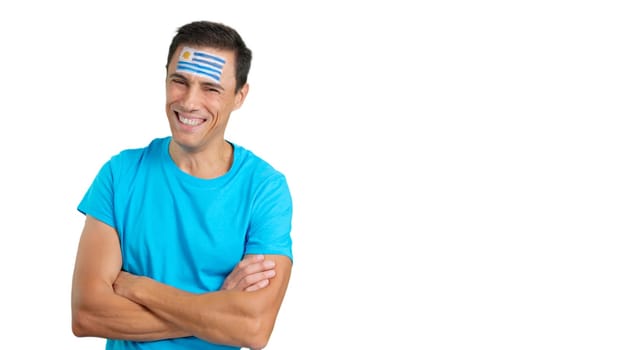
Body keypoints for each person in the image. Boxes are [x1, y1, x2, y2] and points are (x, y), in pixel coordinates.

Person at [71, 20, 293, 350]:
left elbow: (254, 329)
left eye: (211, 88)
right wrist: (217, 309)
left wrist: (140, 288)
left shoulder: (265, 189)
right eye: (180, 81)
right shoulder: (120, 173)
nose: (189, 102)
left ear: (239, 96)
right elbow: (87, 315)